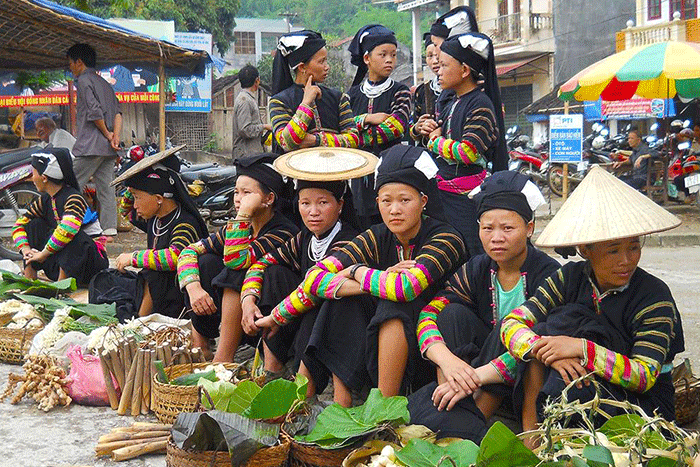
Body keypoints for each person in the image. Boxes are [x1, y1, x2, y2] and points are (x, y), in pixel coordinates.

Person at [257, 145, 466, 406]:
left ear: (423, 201)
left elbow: (405, 288)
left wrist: (357, 271)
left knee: (392, 303)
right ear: (377, 203)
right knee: (343, 300)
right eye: (386, 201)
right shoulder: (377, 235)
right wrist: (277, 316)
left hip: (435, 339)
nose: (395, 209)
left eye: (404, 200)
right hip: (382, 341)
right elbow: (314, 278)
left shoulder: (445, 238)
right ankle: (338, 402)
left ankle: (383, 408)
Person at [500, 167, 684, 446]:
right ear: (586, 250)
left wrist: (581, 349)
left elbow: (644, 375)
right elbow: (512, 323)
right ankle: (533, 438)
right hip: (579, 384)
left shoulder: (653, 296)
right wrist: (550, 351)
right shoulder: (569, 278)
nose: (626, 260)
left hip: (642, 405)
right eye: (613, 250)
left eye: (633, 247)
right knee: (539, 335)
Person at [406, 172, 560, 441]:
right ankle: (454, 400)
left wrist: (477, 376)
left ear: (530, 228)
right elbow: (430, 313)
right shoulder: (477, 268)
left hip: (525, 375)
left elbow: (544, 343)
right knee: (452, 313)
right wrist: (446, 359)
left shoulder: (549, 274)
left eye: (508, 228)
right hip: (471, 375)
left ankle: (487, 419)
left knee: (512, 329)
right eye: (488, 228)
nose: (496, 238)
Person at [241, 148, 372, 387]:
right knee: (274, 273)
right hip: (296, 315)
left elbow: (314, 287)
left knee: (321, 304)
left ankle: (306, 387)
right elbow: (261, 263)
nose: (313, 212)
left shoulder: (349, 241)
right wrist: (248, 301)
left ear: (340, 205)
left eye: (323, 203)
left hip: (335, 326)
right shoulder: (304, 239)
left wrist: (275, 317)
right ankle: (272, 369)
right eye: (305, 203)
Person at [177, 153, 299, 362]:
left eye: (246, 192)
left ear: (269, 199)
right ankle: (202, 344)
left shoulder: (283, 231)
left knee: (234, 271)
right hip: (241, 312)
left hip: (271, 315)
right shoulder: (237, 228)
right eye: (236, 191)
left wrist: (242, 215)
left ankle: (224, 358)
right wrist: (193, 287)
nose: (237, 198)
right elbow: (188, 252)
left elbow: (236, 260)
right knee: (205, 262)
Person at [415, 33, 508, 258]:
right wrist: (421, 130)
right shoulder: (453, 101)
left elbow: (467, 152)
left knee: (468, 254)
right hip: (444, 196)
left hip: (465, 200)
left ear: (465, 70)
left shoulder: (480, 104)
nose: (439, 69)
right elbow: (437, 134)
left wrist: (435, 141)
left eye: (445, 65)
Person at [99, 150, 209, 320]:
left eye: (137, 197)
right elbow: (125, 211)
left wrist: (133, 258)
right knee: (104, 279)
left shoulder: (185, 223)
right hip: (157, 292)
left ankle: (139, 321)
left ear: (159, 198)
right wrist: (132, 184)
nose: (134, 204)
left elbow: (175, 256)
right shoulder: (155, 217)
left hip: (177, 295)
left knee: (152, 272)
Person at [346, 25, 411, 229]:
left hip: (390, 172)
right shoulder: (352, 95)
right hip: (358, 177)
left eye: (393, 54)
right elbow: (343, 129)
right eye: (383, 54)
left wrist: (356, 130)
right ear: (367, 58)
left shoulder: (401, 91)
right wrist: (367, 118)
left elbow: (395, 128)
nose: (389, 60)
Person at [12, 147, 108, 284]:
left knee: (70, 234)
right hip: (59, 260)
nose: (32, 178)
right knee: (33, 225)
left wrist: (43, 254)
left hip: (89, 265)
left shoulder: (74, 198)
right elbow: (19, 225)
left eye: (33, 173)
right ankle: (29, 276)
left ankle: (62, 285)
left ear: (44, 178)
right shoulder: (45, 200)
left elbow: (67, 230)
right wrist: (26, 250)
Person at [268, 30, 359, 153]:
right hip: (296, 171)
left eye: (326, 61)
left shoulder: (338, 98)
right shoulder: (279, 102)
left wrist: (316, 140)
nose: (327, 67)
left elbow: (353, 139)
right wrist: (306, 103)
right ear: (302, 67)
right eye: (321, 62)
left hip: (336, 170)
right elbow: (286, 142)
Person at [67, 43, 122, 237]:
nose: (70, 68)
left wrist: (107, 134)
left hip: (90, 145)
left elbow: (94, 111)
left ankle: (64, 224)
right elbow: (117, 113)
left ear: (79, 62)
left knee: (69, 184)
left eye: (71, 63)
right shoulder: (105, 83)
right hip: (108, 149)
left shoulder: (83, 81)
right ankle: (109, 228)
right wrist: (115, 136)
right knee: (106, 189)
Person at [232, 65, 272, 160]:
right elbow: (244, 129)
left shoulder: (248, 98)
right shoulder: (245, 100)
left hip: (250, 155)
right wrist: (264, 126)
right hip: (245, 157)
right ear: (257, 80)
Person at [410, 33, 442, 143]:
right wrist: (417, 128)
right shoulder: (423, 91)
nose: (435, 61)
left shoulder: (458, 89)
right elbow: (413, 127)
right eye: (430, 56)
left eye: (438, 55)